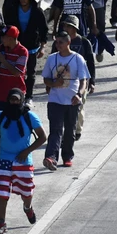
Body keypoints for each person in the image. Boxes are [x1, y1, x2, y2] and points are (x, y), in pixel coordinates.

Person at [0, 88, 46, 234]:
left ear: (22, 100)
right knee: (1, 192)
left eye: (17, 99)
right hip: (4, 159)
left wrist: (27, 151)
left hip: (23, 161)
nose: (14, 102)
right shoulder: (0, 116)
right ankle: (1, 222)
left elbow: (43, 137)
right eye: (12, 99)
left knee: (27, 192)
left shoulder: (30, 116)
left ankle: (27, 208)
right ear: (8, 100)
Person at [41, 30, 90, 170]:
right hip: (55, 100)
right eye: (56, 42)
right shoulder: (52, 58)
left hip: (72, 101)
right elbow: (46, 78)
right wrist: (53, 84)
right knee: (55, 130)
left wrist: (79, 95)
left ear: (68, 42)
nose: (58, 45)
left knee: (70, 130)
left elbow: (83, 80)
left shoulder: (77, 59)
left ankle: (67, 156)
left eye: (60, 42)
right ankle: (51, 157)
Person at [3, 0, 48, 98]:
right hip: (17, 46)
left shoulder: (37, 11)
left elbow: (44, 29)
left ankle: (29, 96)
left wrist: (42, 47)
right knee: (18, 72)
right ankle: (18, 95)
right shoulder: (13, 9)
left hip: (32, 46)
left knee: (31, 73)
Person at [55, 16, 95, 141]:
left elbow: (90, 64)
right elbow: (53, 60)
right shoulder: (59, 42)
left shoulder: (84, 42)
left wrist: (91, 81)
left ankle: (77, 130)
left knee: (79, 105)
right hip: (62, 80)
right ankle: (64, 131)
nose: (65, 28)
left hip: (80, 80)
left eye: (68, 26)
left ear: (74, 28)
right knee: (61, 107)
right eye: (64, 26)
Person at [0, 26, 28, 127]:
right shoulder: (1, 48)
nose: (1, 39)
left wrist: (4, 61)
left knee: (15, 123)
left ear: (11, 38)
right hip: (0, 93)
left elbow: (17, 72)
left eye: (3, 37)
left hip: (15, 95)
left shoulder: (23, 51)